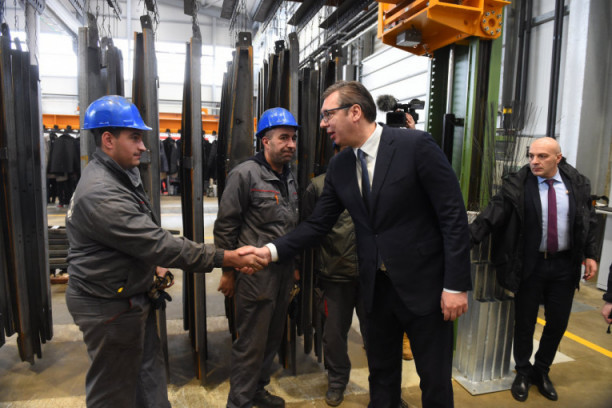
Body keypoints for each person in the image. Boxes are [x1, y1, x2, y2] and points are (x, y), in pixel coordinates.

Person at [250, 81, 472, 408]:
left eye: (328, 114)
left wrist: (455, 285)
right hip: (376, 291)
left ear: (355, 112)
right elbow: (317, 224)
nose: (323, 123)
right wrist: (270, 251)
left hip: (425, 288)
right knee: (381, 375)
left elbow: (452, 216)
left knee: (434, 380)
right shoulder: (341, 166)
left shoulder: (415, 146)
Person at [65, 95, 267, 408]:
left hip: (127, 294)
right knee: (113, 391)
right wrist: (226, 257)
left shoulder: (120, 174)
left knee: (148, 375)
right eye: (135, 138)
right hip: (107, 304)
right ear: (108, 140)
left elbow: (139, 236)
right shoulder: (102, 193)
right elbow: (157, 243)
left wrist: (151, 263)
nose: (143, 146)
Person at [469, 136, 599, 402]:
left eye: (542, 156)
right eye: (531, 156)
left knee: (558, 322)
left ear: (558, 159)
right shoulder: (517, 185)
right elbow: (490, 217)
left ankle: (542, 370)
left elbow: (589, 220)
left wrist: (590, 255)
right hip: (530, 264)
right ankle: (523, 371)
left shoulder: (577, 184)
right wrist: (460, 244)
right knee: (525, 322)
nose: (534, 161)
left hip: (564, 265)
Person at [214, 107, 300, 408]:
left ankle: (257, 391)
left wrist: (294, 268)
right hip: (254, 275)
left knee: (273, 337)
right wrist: (227, 272)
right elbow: (226, 226)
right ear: (265, 141)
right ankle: (239, 402)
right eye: (283, 138)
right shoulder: (244, 174)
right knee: (251, 342)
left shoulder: (288, 175)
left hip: (283, 271)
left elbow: (290, 225)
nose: (291, 144)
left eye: (293, 138)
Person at [302, 143, 368, 407]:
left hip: (371, 277)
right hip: (334, 275)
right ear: (335, 152)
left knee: (378, 335)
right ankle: (338, 381)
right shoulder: (318, 187)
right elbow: (307, 231)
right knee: (333, 336)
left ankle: (385, 388)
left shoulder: (374, 182)